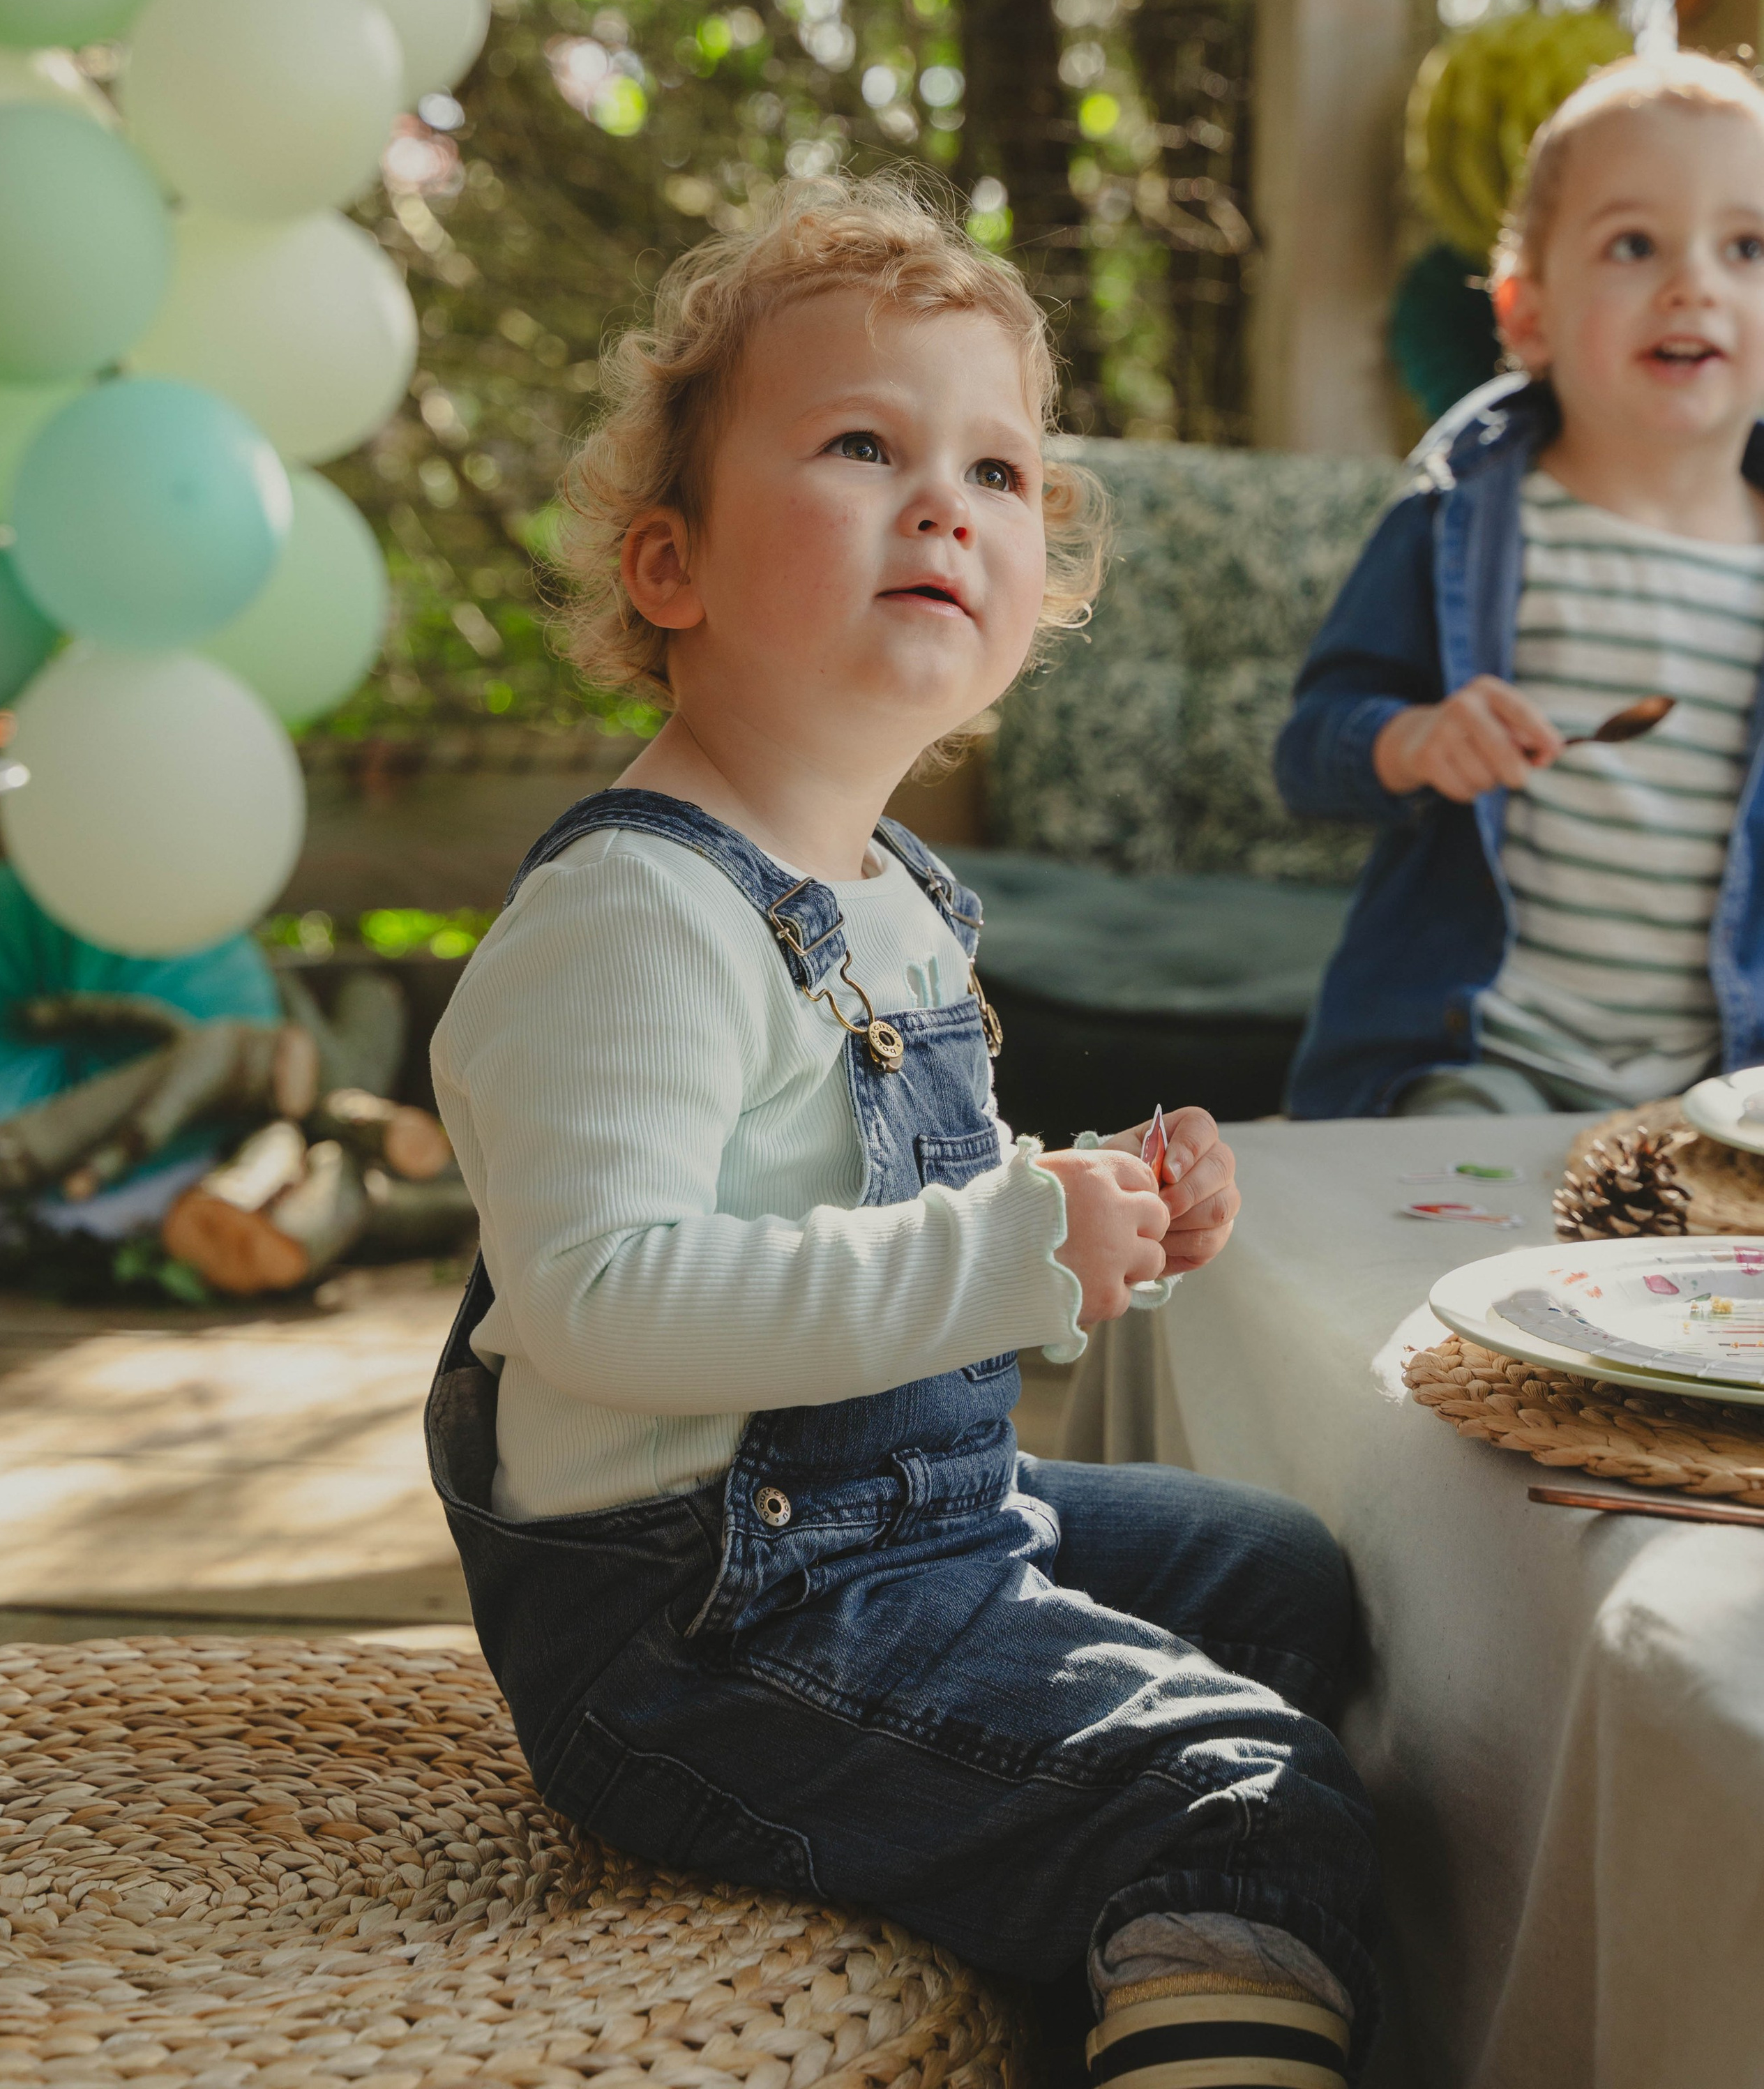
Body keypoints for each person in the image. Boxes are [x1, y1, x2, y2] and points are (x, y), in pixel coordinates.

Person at [427, 177, 1379, 2089]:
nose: (944, 501)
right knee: (1248, 1796)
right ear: (669, 568)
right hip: (702, 1627)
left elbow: (871, 1200)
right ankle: (1178, 1896)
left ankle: (1095, 1917)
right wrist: (1008, 1249)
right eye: (862, 446)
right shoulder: (638, 915)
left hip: (901, 1527)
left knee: (1284, 1581)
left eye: (996, 472)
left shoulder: (889, 895)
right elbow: (597, 1297)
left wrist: (1093, 1208)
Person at [1278, 50, 1764, 1119]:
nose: (1696, 285)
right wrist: (1415, 742)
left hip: (1723, 1094)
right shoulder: (1463, 513)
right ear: (1528, 314)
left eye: (1748, 247)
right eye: (1634, 245)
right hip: (1483, 1061)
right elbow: (1310, 752)